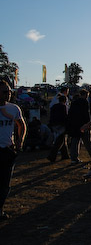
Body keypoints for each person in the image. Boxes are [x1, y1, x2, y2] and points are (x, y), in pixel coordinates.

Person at [0, 80, 27, 220]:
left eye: (10, 91)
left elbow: (21, 124)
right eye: (5, 92)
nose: (8, 94)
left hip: (7, 150)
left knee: (5, 184)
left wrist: (19, 139)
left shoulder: (13, 108)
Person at [67, 89, 91, 164]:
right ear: (85, 95)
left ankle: (74, 158)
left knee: (75, 141)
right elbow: (86, 114)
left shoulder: (74, 102)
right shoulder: (84, 102)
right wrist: (88, 124)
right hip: (83, 124)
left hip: (74, 125)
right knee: (88, 142)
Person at [47, 95, 70, 162]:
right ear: (64, 100)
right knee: (60, 141)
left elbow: (51, 116)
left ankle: (65, 155)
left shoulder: (54, 106)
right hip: (61, 125)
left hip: (54, 125)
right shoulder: (63, 106)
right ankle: (52, 156)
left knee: (62, 140)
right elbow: (65, 116)